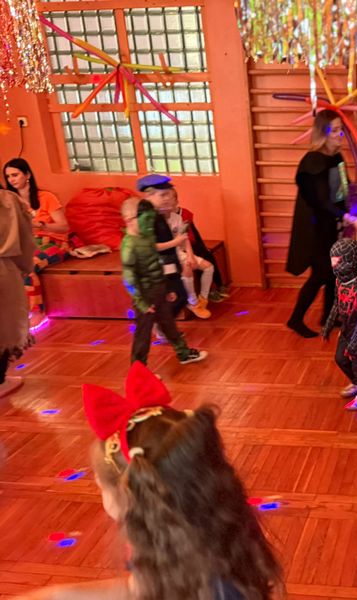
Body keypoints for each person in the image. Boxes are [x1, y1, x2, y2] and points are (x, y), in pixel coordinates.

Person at [21, 362, 284, 599]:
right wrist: (60, 594)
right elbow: (142, 588)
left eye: (99, 486)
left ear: (129, 494)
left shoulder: (211, 582)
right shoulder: (188, 527)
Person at [286, 109, 357, 338]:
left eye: (341, 130)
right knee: (320, 274)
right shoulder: (313, 161)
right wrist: (348, 217)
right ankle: (295, 319)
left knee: (333, 273)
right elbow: (321, 201)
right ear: (323, 133)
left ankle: (328, 315)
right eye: (334, 130)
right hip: (316, 229)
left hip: (331, 225)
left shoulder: (336, 158)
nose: (340, 135)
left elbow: (341, 190)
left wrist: (356, 197)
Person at [120, 198, 207, 366]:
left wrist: (167, 288)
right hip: (145, 296)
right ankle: (138, 369)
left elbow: (157, 266)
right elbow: (129, 278)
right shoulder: (129, 246)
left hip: (159, 291)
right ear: (129, 220)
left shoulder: (147, 239)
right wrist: (142, 303)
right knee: (143, 333)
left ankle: (183, 353)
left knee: (169, 325)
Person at [3, 158, 70, 328]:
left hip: (53, 242)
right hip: (24, 242)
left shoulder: (46, 197)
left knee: (28, 266)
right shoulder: (9, 200)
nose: (11, 180)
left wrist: (39, 225)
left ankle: (37, 311)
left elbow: (64, 227)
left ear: (27, 175)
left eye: (15, 175)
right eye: (8, 176)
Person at [322, 238, 357, 411]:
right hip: (345, 330)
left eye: (338, 261)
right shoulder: (339, 281)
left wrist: (354, 342)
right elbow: (336, 304)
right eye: (333, 261)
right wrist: (328, 325)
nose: (334, 265)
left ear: (351, 260)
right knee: (340, 359)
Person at [157, 184, 215, 319]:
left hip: (178, 252)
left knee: (208, 267)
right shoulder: (155, 222)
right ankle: (193, 303)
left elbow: (184, 239)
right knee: (186, 269)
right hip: (163, 258)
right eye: (164, 198)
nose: (168, 202)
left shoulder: (177, 218)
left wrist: (190, 255)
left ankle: (203, 299)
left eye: (171, 199)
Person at [137, 175, 189, 320]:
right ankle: (158, 326)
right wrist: (176, 241)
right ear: (149, 195)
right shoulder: (146, 217)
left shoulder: (158, 214)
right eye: (163, 195)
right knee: (171, 299)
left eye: (169, 195)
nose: (167, 199)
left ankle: (162, 326)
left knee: (180, 297)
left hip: (168, 265)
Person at [0, 190, 35, 398]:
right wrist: (25, 267)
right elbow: (25, 238)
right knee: (6, 326)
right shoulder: (7, 200)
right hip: (3, 269)